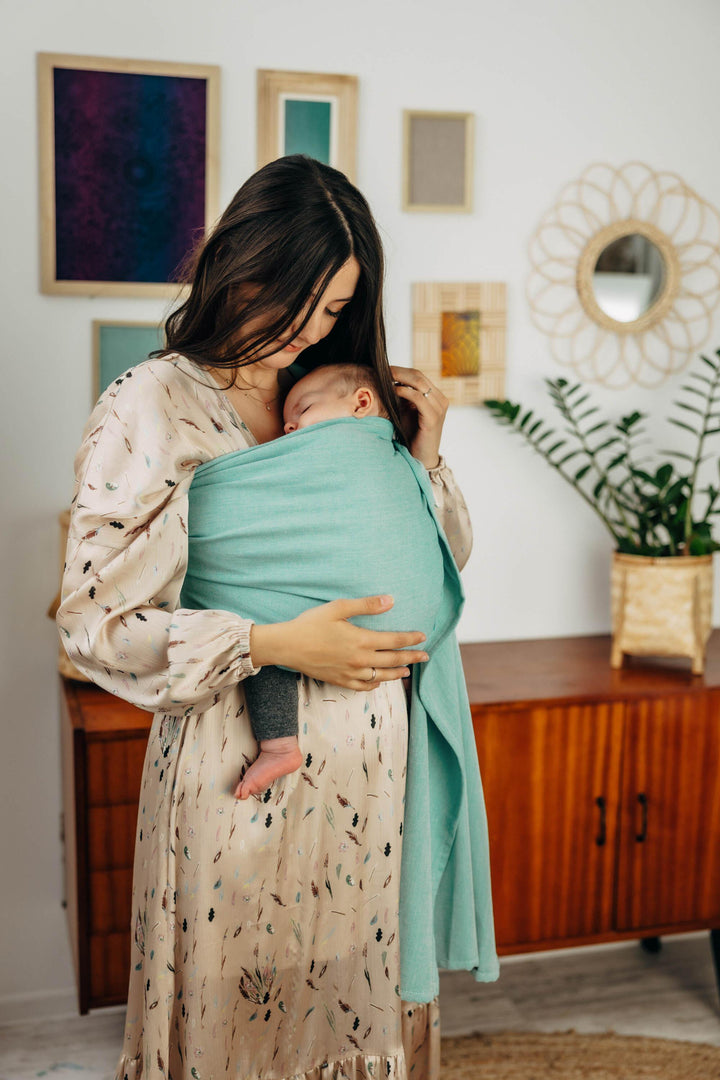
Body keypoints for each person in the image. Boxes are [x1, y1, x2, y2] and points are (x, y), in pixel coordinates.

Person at [57, 154, 488, 1080]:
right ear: (234, 263)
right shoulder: (154, 405)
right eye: (291, 300)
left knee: (353, 1017)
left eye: (331, 311)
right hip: (233, 774)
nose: (304, 333)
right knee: (238, 1031)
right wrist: (271, 642)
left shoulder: (342, 394)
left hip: (375, 779)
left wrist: (429, 456)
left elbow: (434, 566)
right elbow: (93, 624)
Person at [238, 361, 394, 801]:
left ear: (361, 403)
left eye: (303, 409)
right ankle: (281, 745)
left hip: (360, 600)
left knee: (263, 615)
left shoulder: (384, 455)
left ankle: (280, 744)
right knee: (265, 629)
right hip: (313, 592)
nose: (289, 424)